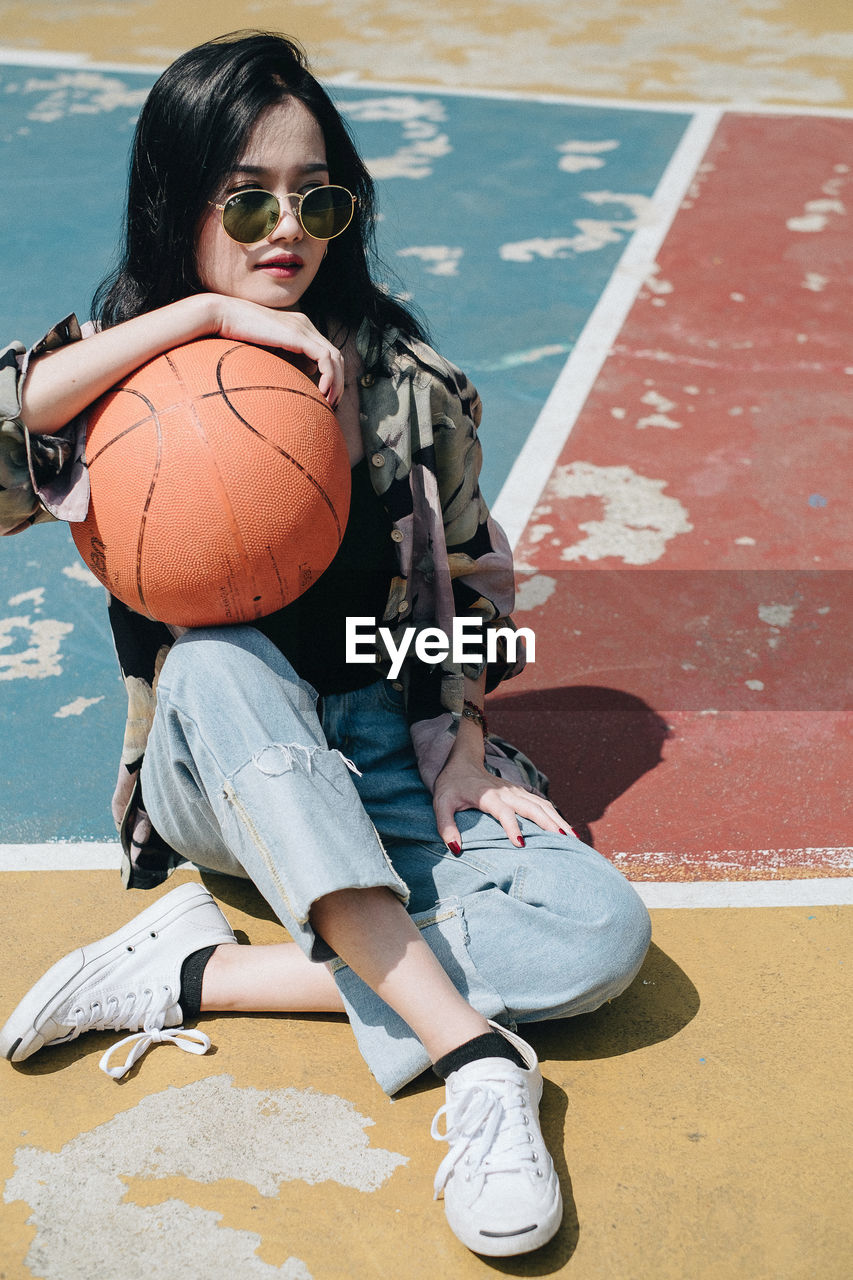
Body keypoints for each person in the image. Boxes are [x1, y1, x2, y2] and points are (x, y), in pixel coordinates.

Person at [0, 31, 651, 1258]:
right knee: (215, 658)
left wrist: (459, 739)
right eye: (244, 199)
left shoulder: (405, 380)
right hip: (222, 767)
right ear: (178, 205)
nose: (281, 228)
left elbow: (468, 575)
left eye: (317, 197)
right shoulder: (127, 377)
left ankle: (201, 972)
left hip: (378, 746)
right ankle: (472, 1060)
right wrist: (192, 315)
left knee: (597, 931)